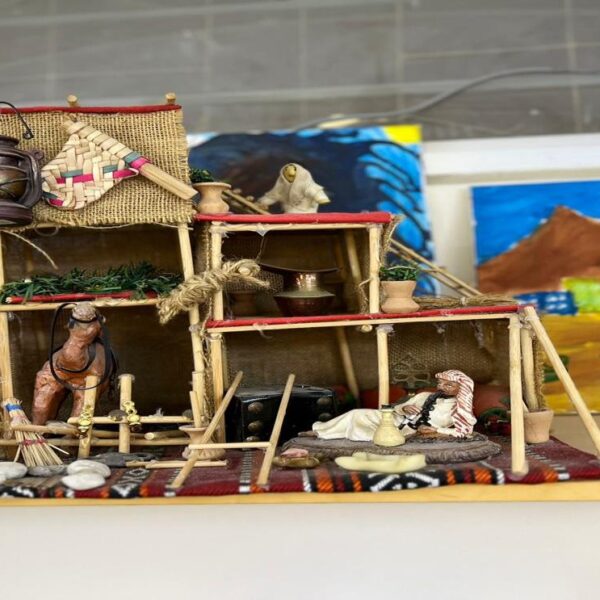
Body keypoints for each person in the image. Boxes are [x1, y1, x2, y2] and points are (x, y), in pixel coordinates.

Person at [311, 370, 477, 442]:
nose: (441, 387)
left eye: (448, 385)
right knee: (356, 414)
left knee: (380, 435)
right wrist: (404, 408)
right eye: (440, 383)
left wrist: (437, 430)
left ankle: (327, 434)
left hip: (412, 431)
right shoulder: (425, 395)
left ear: (461, 388)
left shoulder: (459, 409)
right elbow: (398, 408)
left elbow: (464, 432)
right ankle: (320, 430)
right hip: (396, 419)